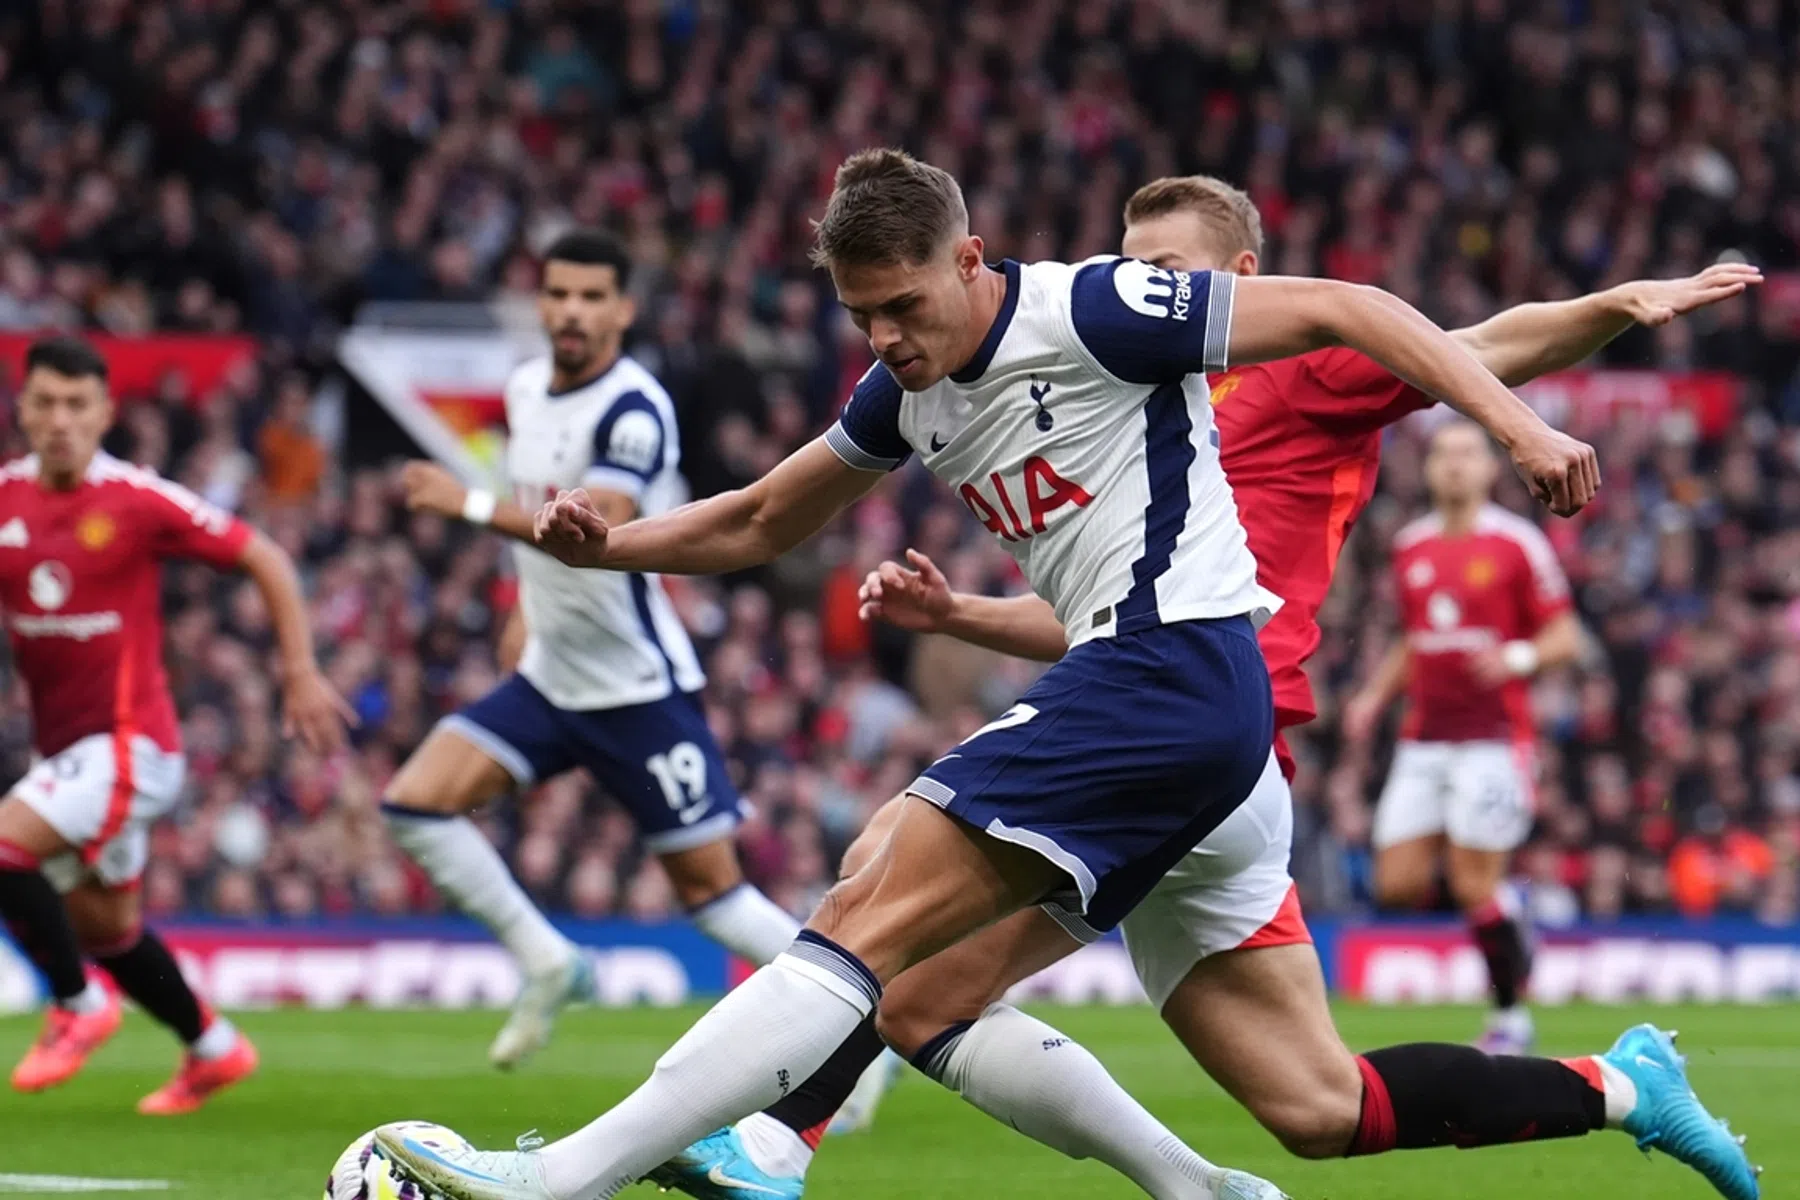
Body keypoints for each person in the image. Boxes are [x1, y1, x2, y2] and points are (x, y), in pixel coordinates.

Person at [373, 148, 1602, 1200]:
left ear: (971, 260)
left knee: (862, 915)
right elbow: (756, 522)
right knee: (1268, 1090)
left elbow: (1354, 307)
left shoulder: (1095, 311)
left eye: (904, 305)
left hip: (1168, 672)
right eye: (863, 316)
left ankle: (570, 1177)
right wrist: (613, 539)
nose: (887, 338)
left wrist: (1524, 432)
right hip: (1199, 730)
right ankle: (1208, 1185)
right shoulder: (908, 391)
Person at [645, 176, 1764, 1200]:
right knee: (1322, 1109)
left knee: (896, 905)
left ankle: (777, 1140)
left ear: (1237, 281)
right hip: (1169, 723)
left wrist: (1616, 304)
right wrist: (962, 618)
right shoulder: (1124, 393)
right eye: (1135, 264)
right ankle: (1617, 1090)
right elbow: (1105, 610)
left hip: (1203, 723)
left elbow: (1473, 340)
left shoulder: (1292, 372)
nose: (1147, 287)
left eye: (1170, 271)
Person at [384, 229, 806, 1068]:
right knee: (415, 803)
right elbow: (531, 510)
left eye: (590, 297)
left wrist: (463, 504)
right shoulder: (525, 390)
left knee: (716, 901)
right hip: (549, 676)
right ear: (541, 304)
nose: (572, 311)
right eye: (558, 294)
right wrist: (521, 616)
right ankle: (549, 961)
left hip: (635, 689)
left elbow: (594, 530)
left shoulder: (633, 408)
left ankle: (857, 1019)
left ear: (622, 309)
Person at [0, 335, 354, 1113]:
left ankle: (76, 1005)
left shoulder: (136, 497)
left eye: (77, 404)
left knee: (4, 848)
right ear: (23, 409)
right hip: (70, 755)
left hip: (134, 749)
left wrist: (297, 670)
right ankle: (213, 1048)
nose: (60, 420)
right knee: (108, 930)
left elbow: (264, 554)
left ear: (104, 413)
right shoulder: (6, 501)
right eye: (46, 403)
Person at [1343, 420, 1582, 1053]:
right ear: (1428, 471)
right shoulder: (1410, 547)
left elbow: (1566, 637)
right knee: (1395, 883)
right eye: (1443, 454)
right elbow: (1413, 641)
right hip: (1425, 739)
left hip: (1494, 739)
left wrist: (1517, 660)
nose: (1453, 465)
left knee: (1473, 882)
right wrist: (1372, 697)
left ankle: (1511, 1018)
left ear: (1488, 470)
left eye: (1467, 454)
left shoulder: (1517, 544)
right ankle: (1510, 914)